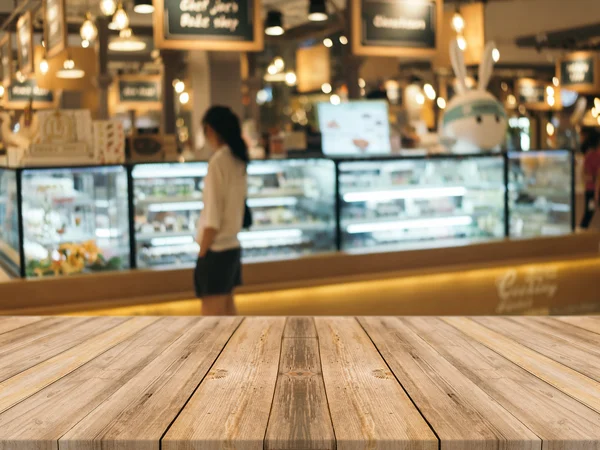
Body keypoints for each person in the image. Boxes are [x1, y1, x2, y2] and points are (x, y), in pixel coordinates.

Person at [195, 106, 248, 315]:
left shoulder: (218, 162)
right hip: (232, 249)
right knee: (229, 321)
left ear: (210, 129)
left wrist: (202, 254)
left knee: (210, 331)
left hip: (216, 253)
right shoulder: (238, 159)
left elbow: (212, 219)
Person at [580, 129, 600, 229]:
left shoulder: (588, 155)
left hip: (589, 189)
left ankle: (581, 232)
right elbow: (598, 177)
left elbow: (583, 175)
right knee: (589, 213)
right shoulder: (596, 156)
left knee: (588, 212)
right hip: (594, 190)